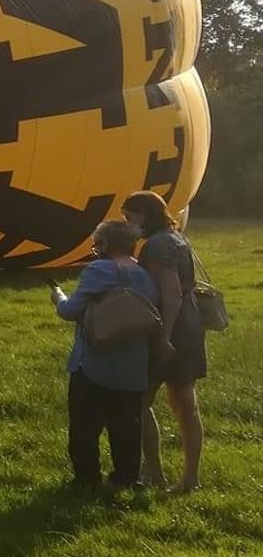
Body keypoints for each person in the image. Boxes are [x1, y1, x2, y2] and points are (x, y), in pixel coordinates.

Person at [49, 220, 158, 491]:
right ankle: (125, 478)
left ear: (106, 245)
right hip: (132, 368)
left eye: (97, 244)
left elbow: (70, 311)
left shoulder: (99, 270)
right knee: (127, 428)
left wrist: (59, 296)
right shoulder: (144, 274)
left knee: (85, 428)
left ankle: (87, 480)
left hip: (94, 365)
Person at [125, 190, 209, 493]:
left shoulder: (157, 246)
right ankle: (190, 478)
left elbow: (170, 293)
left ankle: (153, 471)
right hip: (191, 327)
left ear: (145, 214)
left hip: (168, 330)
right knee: (187, 406)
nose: (128, 224)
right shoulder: (177, 238)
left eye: (130, 217)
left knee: (140, 401)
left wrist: (163, 337)